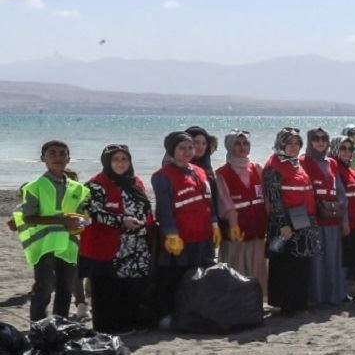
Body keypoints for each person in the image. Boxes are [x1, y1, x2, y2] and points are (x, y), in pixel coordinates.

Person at [80, 144, 154, 331]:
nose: (121, 163)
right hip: (109, 246)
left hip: (136, 244)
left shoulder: (135, 182)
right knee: (107, 289)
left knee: (133, 286)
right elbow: (91, 214)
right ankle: (108, 328)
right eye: (116, 159)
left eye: (124, 159)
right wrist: (122, 220)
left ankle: (130, 323)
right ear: (107, 162)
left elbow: (145, 208)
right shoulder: (96, 184)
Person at [19, 140, 90, 322]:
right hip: (44, 246)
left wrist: (79, 223)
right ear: (43, 158)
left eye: (62, 153)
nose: (57, 157)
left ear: (68, 158)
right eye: (52, 153)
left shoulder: (79, 189)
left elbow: (85, 218)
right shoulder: (34, 187)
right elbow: (27, 217)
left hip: (69, 246)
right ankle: (38, 327)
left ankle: (60, 328)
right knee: (44, 287)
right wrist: (61, 220)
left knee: (65, 289)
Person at [152, 131, 219, 320]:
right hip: (180, 238)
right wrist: (171, 234)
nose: (188, 151)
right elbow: (164, 209)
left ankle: (196, 312)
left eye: (190, 147)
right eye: (182, 148)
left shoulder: (199, 171)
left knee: (200, 276)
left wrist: (214, 223)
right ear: (171, 150)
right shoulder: (162, 176)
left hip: (203, 235)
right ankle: (169, 314)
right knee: (175, 277)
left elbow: (208, 201)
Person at [262, 128, 319, 316]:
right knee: (286, 264)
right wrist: (283, 225)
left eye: (297, 143)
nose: (294, 147)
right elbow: (274, 197)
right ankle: (287, 304)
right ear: (281, 144)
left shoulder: (296, 164)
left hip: (301, 219)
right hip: (285, 222)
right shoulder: (273, 166)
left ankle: (299, 302)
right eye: (290, 143)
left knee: (301, 262)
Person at [213, 130, 268, 295]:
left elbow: (267, 197)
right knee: (237, 267)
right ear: (229, 146)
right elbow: (224, 200)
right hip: (236, 230)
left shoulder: (257, 169)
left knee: (258, 265)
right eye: (237, 143)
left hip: (258, 228)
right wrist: (233, 223)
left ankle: (257, 299)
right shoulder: (222, 173)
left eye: (245, 143)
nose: (242, 147)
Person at [302, 127, 346, 307]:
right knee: (316, 260)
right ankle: (317, 297)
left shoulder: (332, 163)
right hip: (313, 220)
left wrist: (344, 218)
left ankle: (333, 295)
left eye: (324, 139)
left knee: (333, 258)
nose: (320, 142)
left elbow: (340, 192)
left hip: (332, 218)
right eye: (315, 138)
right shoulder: (303, 161)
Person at [332, 135, 355, 298]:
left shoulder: (351, 170)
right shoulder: (334, 169)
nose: (346, 152)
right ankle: (342, 291)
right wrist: (342, 221)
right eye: (343, 148)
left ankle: (354, 288)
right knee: (343, 259)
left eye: (350, 149)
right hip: (343, 224)